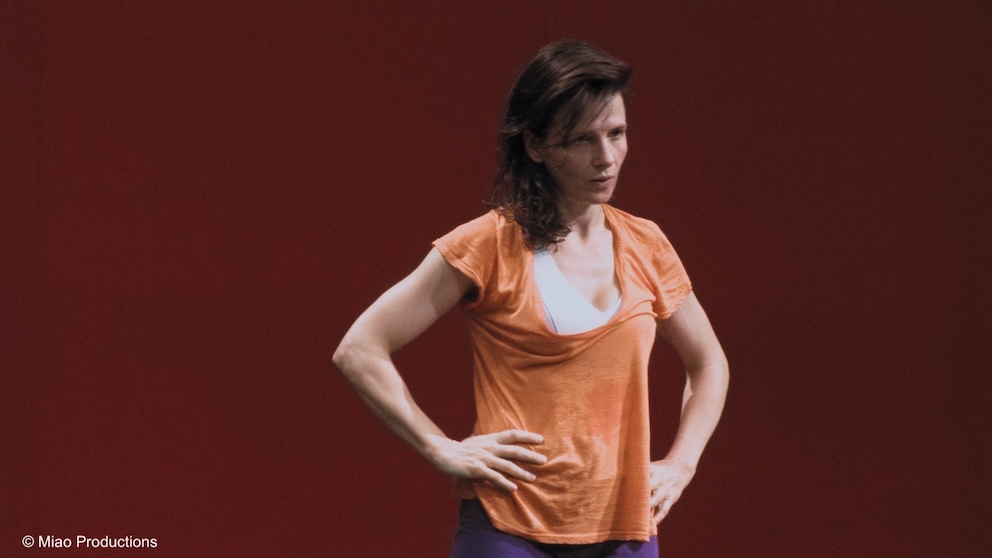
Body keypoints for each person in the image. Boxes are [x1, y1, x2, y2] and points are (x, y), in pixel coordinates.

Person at [333, 40, 729, 558]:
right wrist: (439, 447)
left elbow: (709, 362)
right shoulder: (489, 244)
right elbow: (359, 349)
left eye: (617, 133)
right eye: (582, 140)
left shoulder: (646, 244)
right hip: (507, 528)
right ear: (536, 146)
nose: (606, 157)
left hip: (625, 527)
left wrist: (682, 463)